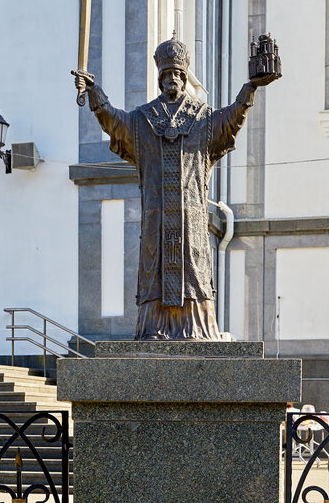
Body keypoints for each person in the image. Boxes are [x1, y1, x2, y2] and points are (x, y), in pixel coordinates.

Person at [74, 35, 280, 340]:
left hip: (192, 219)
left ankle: (196, 327)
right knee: (155, 272)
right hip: (157, 220)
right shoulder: (143, 119)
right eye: (167, 74)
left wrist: (249, 89)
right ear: (160, 79)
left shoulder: (204, 118)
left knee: (193, 271)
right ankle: (155, 327)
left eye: (178, 74)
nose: (173, 79)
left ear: (185, 78)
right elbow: (115, 122)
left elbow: (232, 119)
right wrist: (95, 94)